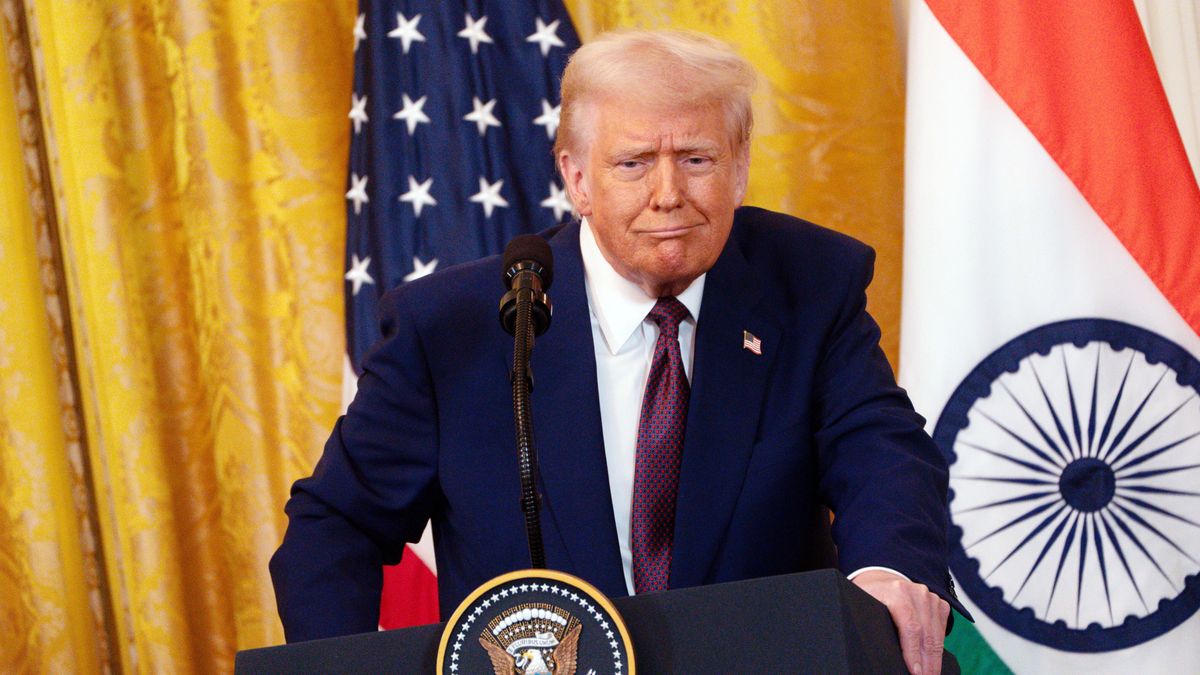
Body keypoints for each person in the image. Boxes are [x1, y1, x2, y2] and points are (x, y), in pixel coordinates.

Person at [271, 29, 964, 675]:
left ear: (741, 166)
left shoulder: (808, 283)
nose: (669, 195)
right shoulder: (455, 329)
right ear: (577, 179)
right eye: (633, 164)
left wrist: (889, 572)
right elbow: (334, 524)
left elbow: (883, 452)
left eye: (697, 159)